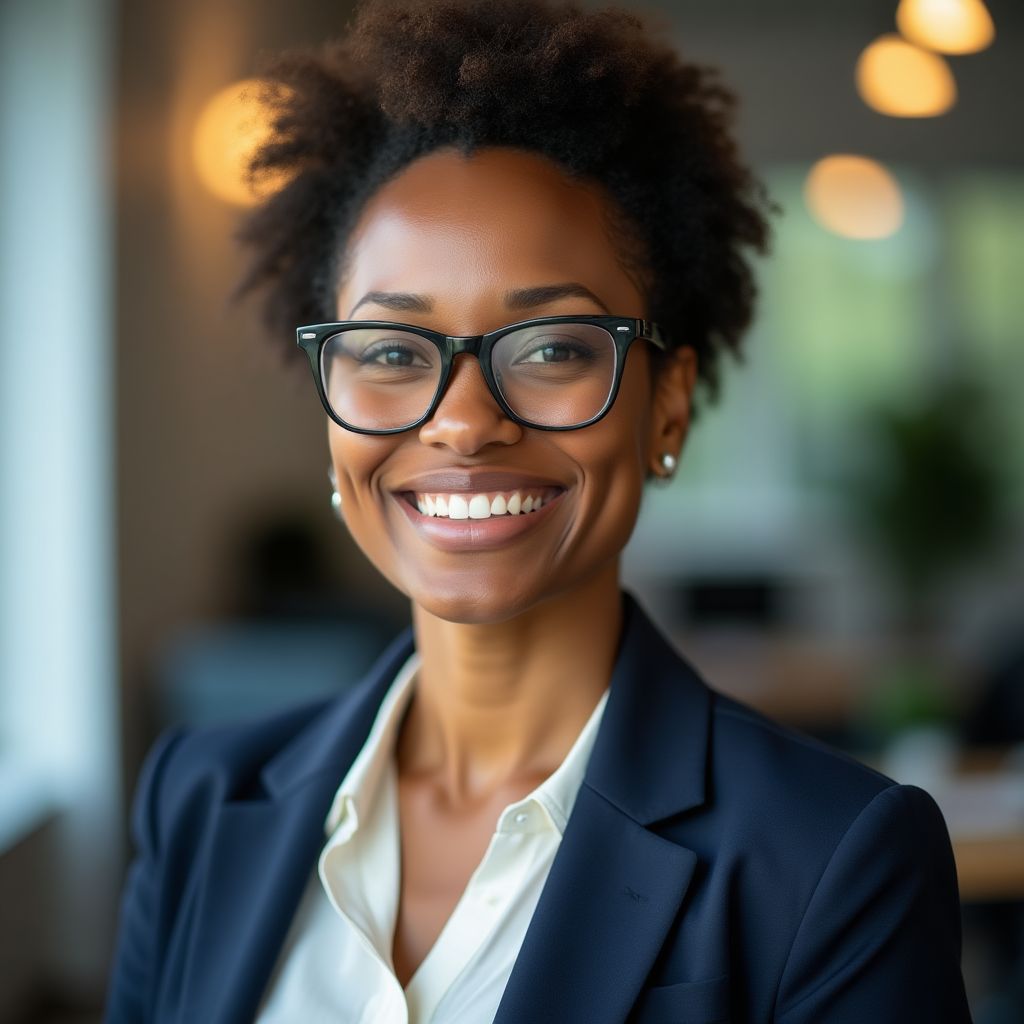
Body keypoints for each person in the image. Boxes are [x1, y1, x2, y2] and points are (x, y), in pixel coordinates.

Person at [105, 1, 974, 1021]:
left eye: (553, 347)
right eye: (390, 352)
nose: (464, 422)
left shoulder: (832, 857)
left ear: (668, 402)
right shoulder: (203, 798)